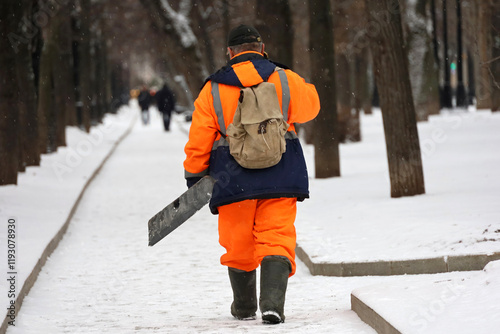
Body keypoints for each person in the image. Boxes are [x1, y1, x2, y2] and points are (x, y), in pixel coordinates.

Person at [183, 25, 320, 324]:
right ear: (261, 48)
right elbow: (312, 106)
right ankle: (272, 304)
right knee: (277, 236)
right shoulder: (283, 78)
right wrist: (293, 84)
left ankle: (244, 306)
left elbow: (199, 138)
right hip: (281, 173)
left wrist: (194, 174)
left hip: (232, 178)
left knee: (238, 240)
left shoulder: (213, 89)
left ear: (230, 53)